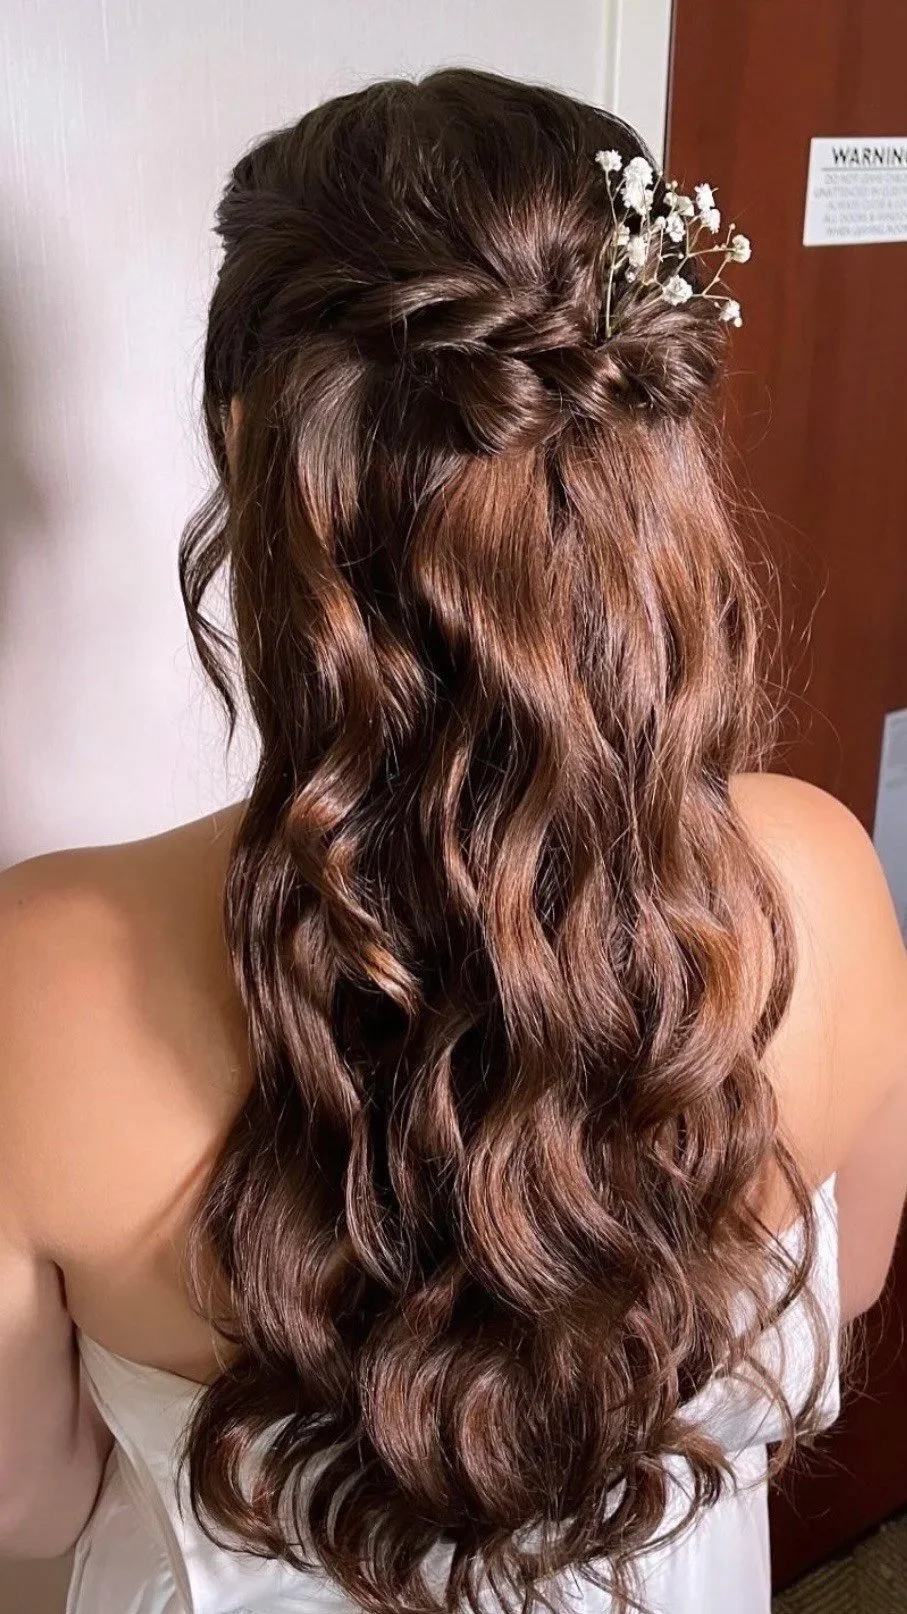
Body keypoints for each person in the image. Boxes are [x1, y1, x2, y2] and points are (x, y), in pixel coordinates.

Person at [0, 68, 905, 1614]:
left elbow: (30, 1494)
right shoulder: (813, 876)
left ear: (253, 450)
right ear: (650, 438)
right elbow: (848, 1280)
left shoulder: (39, 979)